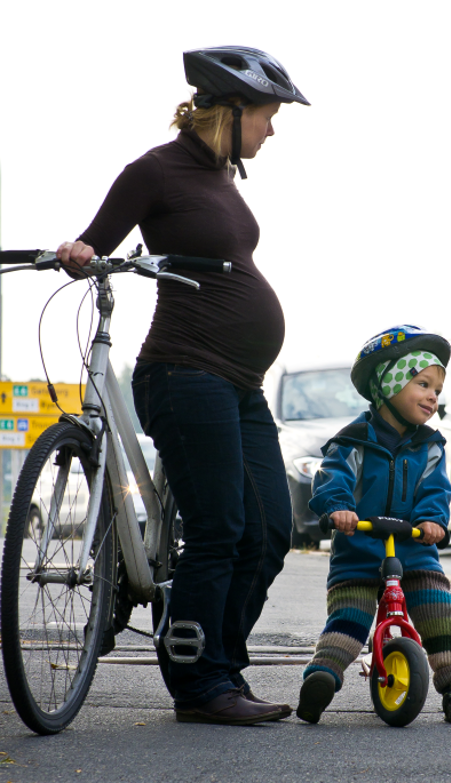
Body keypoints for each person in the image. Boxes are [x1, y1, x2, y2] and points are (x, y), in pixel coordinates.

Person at [57, 46, 309, 725]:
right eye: (267, 114)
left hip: (240, 382)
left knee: (271, 530)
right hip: (185, 372)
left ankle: (215, 659)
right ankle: (201, 684)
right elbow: (95, 241)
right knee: (222, 527)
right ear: (228, 111)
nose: (273, 129)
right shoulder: (154, 171)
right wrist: (80, 251)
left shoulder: (224, 173)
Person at [297, 325, 451, 725]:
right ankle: (322, 678)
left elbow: (436, 488)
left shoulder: (429, 445)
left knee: (439, 611)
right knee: (350, 618)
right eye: (423, 383)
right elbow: (333, 479)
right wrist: (339, 509)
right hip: (359, 551)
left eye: (437, 388)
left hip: (413, 549)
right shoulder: (353, 441)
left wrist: (433, 520)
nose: (433, 395)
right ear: (390, 384)